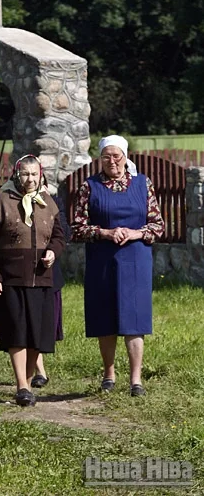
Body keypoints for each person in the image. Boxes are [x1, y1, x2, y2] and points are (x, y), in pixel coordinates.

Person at [71, 135, 164, 396]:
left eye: (117, 156)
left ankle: (136, 380)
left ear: (125, 157)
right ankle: (109, 374)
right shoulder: (89, 187)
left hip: (136, 259)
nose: (112, 161)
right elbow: (77, 228)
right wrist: (105, 233)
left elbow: (158, 225)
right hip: (102, 259)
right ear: (100, 159)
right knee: (106, 315)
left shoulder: (143, 184)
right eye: (107, 156)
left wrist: (135, 233)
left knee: (135, 318)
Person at [0, 154, 66, 407]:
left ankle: (28, 381)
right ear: (17, 174)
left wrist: (52, 251)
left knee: (37, 335)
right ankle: (22, 385)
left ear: (40, 175)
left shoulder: (48, 202)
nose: (30, 179)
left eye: (34, 174)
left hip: (42, 278)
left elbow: (59, 237)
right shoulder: (3, 202)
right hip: (11, 279)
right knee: (17, 332)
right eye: (25, 174)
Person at [31, 193, 71, 388]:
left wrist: (52, 251)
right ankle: (39, 371)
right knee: (31, 322)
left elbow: (65, 233)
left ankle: (34, 368)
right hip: (22, 272)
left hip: (49, 272)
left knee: (45, 323)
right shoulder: (8, 201)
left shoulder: (53, 202)